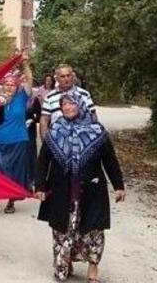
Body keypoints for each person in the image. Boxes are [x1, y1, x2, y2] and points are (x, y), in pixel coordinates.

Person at [34, 94, 125, 282]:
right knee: (62, 229)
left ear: (80, 105)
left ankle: (93, 268)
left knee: (94, 229)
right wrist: (40, 185)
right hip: (61, 190)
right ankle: (65, 262)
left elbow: (110, 160)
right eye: (63, 104)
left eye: (71, 103)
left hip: (91, 188)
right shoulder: (55, 130)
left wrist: (118, 185)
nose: (67, 107)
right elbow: (43, 160)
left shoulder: (97, 131)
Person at [0, 52, 33, 217]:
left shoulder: (21, 97)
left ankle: (11, 201)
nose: (10, 87)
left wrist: (25, 64)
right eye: (7, 84)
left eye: (13, 85)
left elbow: (29, 80)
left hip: (17, 141)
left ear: (17, 87)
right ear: (3, 86)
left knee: (13, 173)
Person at [39, 64, 97, 137]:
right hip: (58, 140)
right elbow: (44, 120)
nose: (66, 79)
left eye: (68, 75)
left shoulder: (84, 94)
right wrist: (45, 142)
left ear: (72, 76)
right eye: (62, 76)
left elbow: (93, 116)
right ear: (57, 79)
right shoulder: (50, 97)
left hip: (82, 139)